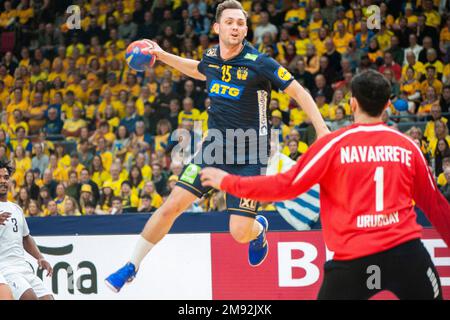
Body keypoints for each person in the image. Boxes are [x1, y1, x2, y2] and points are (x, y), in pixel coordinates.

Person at [105, 0, 329, 292]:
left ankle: (259, 228)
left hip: (251, 154)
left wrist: (321, 128)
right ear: (217, 27)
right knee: (172, 205)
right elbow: (199, 69)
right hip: (214, 150)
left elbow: (298, 91)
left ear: (246, 29)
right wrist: (161, 55)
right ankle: (131, 266)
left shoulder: (260, 62)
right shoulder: (211, 56)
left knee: (239, 232)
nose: (236, 27)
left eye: (240, 23)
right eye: (230, 22)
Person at [200, 70, 450, 300]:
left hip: (353, 259)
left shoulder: (332, 145)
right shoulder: (408, 147)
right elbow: (436, 205)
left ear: (352, 103)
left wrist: (229, 182)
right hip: (406, 255)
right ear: (387, 105)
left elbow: (285, 186)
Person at [0, 160, 54, 300]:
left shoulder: (16, 209)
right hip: (4, 268)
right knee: (29, 298)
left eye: (6, 177)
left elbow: (26, 237)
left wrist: (39, 257)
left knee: (48, 298)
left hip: (22, 266)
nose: (3, 181)